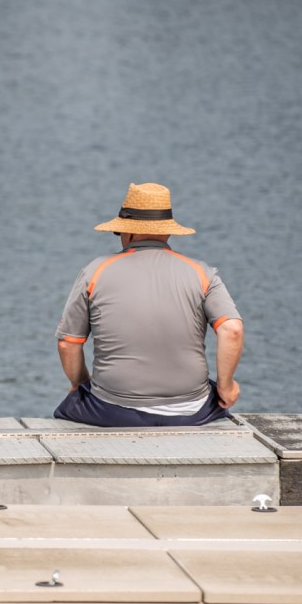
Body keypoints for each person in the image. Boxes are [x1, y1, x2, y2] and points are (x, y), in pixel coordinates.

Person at [53, 182, 244, 427]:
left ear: (128, 233)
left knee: (68, 408)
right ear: (167, 232)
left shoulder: (94, 272)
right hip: (192, 410)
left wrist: (80, 386)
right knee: (215, 397)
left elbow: (68, 343)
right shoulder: (203, 273)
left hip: (111, 409)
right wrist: (226, 386)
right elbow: (232, 330)